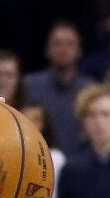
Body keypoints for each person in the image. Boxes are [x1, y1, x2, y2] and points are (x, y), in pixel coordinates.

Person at [24, 21, 92, 151]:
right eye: (57, 43)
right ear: (47, 49)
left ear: (79, 50)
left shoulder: (90, 91)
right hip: (36, 160)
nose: (63, 49)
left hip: (78, 165)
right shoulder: (28, 86)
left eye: (69, 44)